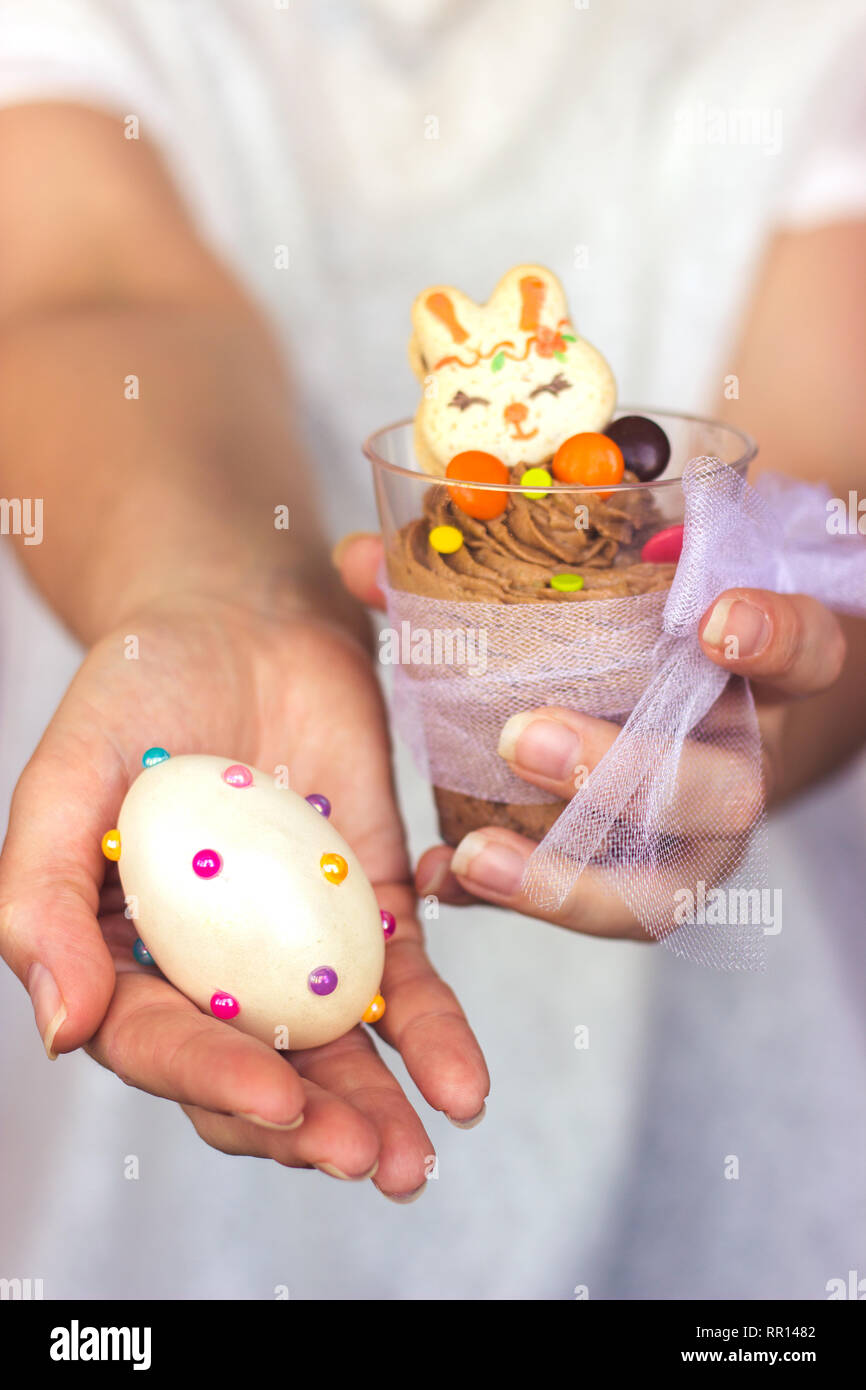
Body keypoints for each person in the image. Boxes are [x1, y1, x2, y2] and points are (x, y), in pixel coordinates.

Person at [0, 0, 863, 1298]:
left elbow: (823, 497)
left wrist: (744, 702)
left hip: (700, 1060)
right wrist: (218, 585)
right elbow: (89, 287)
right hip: (185, 1094)